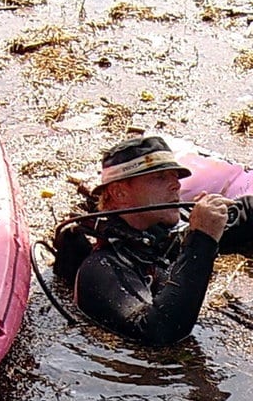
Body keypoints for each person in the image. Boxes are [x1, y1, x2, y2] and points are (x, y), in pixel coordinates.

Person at [72, 136, 253, 346]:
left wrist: (208, 223)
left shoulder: (168, 231)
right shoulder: (102, 268)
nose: (176, 185)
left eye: (175, 176)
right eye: (160, 177)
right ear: (119, 192)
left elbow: (247, 213)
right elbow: (159, 330)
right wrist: (201, 240)